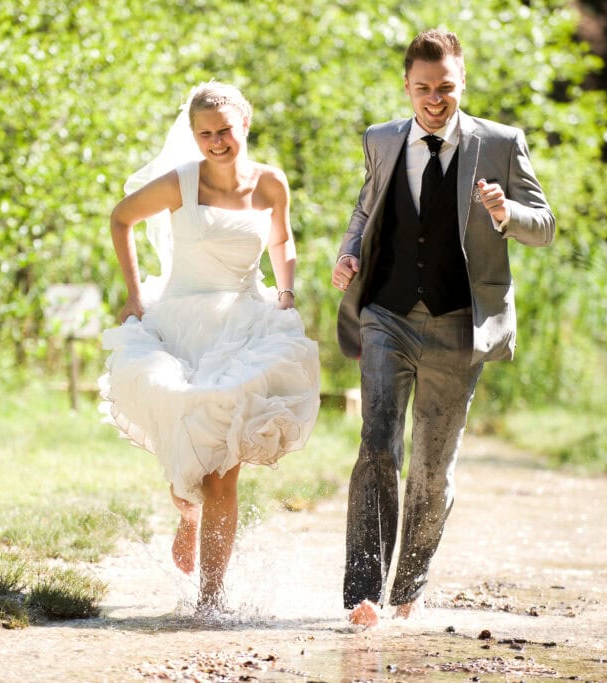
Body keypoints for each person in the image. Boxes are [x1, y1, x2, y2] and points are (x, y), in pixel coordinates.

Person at [331, 29, 555, 627]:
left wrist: (506, 213)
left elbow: (547, 224)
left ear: (462, 83)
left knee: (432, 466)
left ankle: (410, 585)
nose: (434, 99)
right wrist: (349, 251)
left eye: (446, 88)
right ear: (406, 86)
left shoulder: (500, 144)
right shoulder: (381, 140)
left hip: (459, 325)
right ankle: (364, 593)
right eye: (423, 88)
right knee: (377, 444)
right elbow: (366, 206)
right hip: (386, 314)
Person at [99, 82, 320, 614]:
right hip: (178, 325)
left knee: (223, 464)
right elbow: (121, 218)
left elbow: (281, 239)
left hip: (242, 324)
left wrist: (285, 287)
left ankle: (211, 599)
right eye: (205, 134)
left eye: (225, 131)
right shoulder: (180, 182)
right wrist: (133, 293)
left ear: (244, 124)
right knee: (188, 455)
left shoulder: (271, 182)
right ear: (194, 136)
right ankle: (187, 514)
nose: (217, 142)